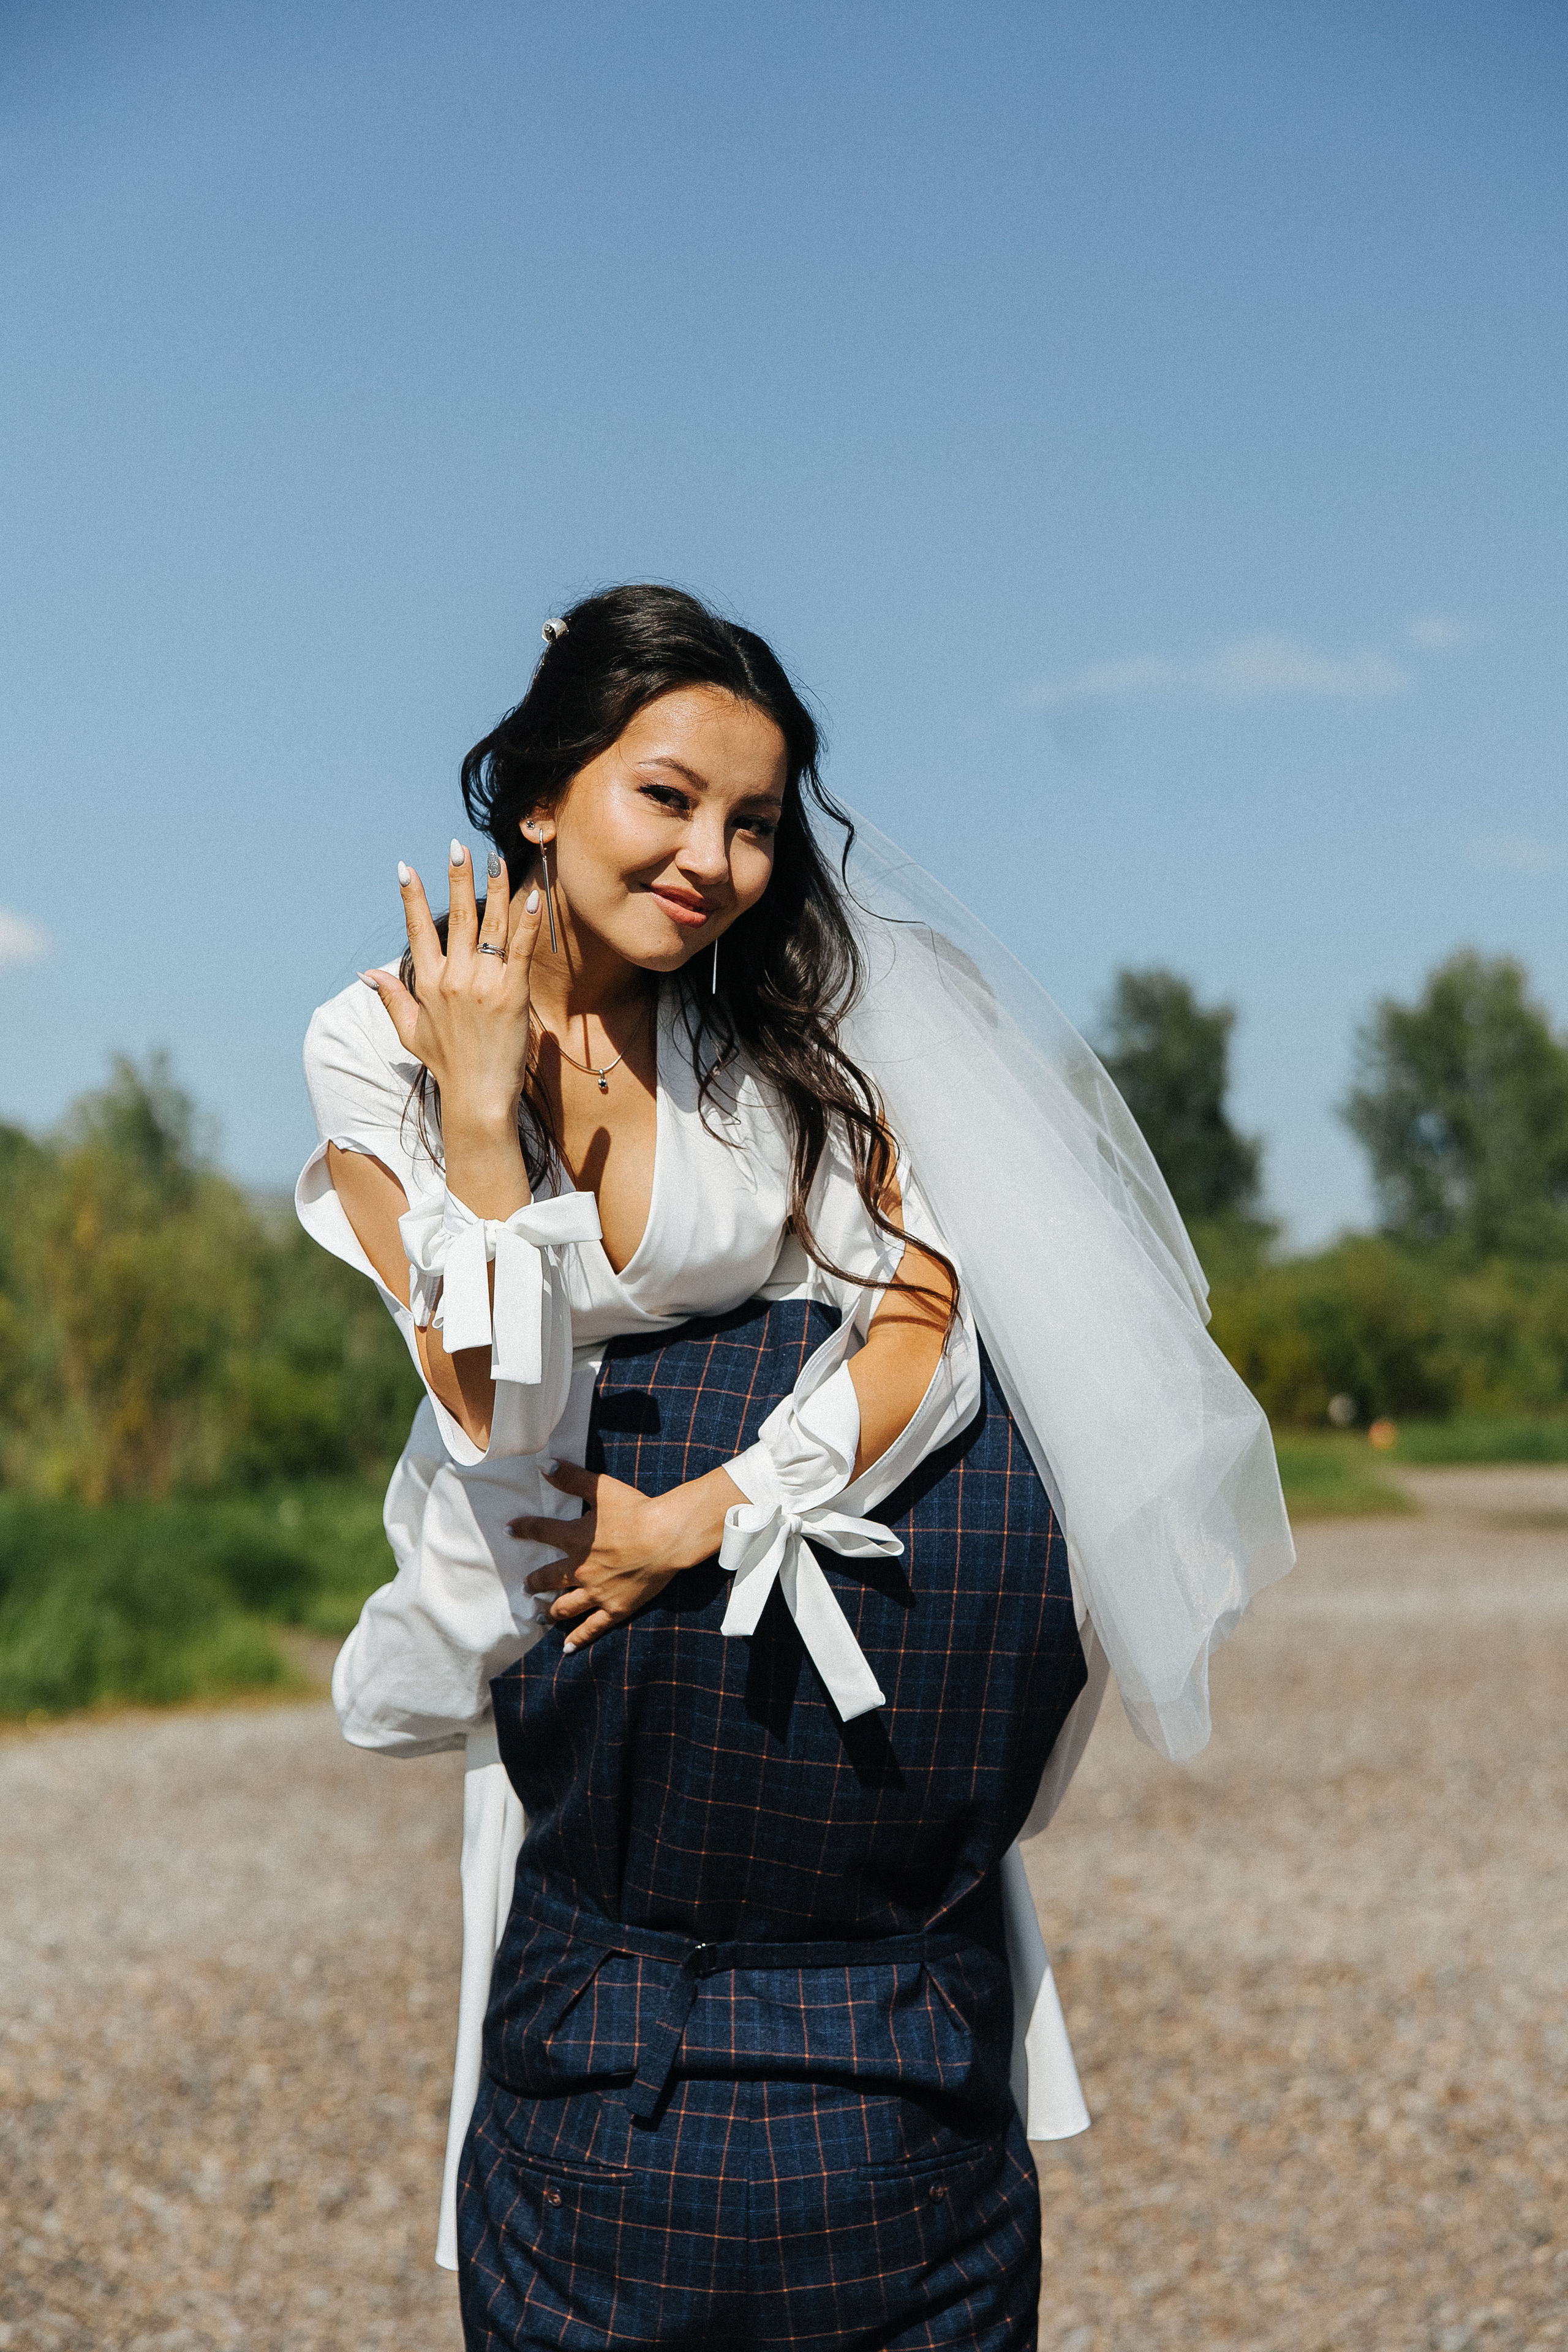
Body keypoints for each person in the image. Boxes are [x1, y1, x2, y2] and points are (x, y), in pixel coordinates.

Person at [296, 586, 1294, 2349]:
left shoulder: (769, 1045)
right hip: (533, 1525)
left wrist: (709, 1510)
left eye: (752, 823)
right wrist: (473, 1105)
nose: (713, 861)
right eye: (666, 798)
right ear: (541, 796)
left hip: (726, 1526)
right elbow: (500, 1408)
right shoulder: (375, 1039)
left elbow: (924, 1314)